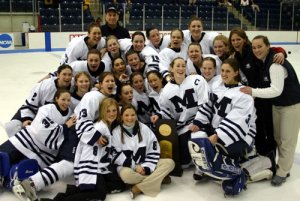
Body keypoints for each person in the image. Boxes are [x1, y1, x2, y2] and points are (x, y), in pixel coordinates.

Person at [240, 35, 300, 186]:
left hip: (291, 105)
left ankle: (283, 171)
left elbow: (276, 90)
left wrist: (252, 91)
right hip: (278, 105)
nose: (257, 50)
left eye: (260, 46)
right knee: (278, 138)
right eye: (254, 47)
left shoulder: (275, 64)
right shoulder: (264, 61)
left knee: (287, 140)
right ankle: (283, 166)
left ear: (268, 46)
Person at [0, 89, 75, 198]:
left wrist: (64, 127)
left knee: (23, 169)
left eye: (68, 100)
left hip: (44, 154)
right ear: (56, 99)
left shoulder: (70, 115)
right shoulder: (46, 109)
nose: (66, 102)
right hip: (26, 140)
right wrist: (64, 127)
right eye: (63, 99)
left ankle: (9, 180)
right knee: (3, 156)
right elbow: (41, 130)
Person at [50, 98, 125, 201]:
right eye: (108, 111)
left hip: (101, 168)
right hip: (92, 168)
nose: (112, 114)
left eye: (114, 110)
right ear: (102, 111)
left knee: (118, 185)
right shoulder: (99, 129)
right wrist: (88, 174)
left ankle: (73, 191)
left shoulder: (107, 126)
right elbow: (88, 153)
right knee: (99, 194)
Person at [228, 27, 285, 157]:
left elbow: (272, 50)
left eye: (239, 39)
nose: (236, 42)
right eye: (233, 40)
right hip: (251, 96)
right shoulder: (235, 56)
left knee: (268, 127)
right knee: (256, 125)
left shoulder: (252, 50)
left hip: (264, 94)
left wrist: (282, 52)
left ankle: (271, 155)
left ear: (244, 39)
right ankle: (261, 152)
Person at [111, 104, 175, 199]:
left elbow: (154, 149)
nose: (130, 118)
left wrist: (146, 168)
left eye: (133, 115)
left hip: (146, 164)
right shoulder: (116, 132)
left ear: (136, 115)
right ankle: (159, 179)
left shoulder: (144, 128)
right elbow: (115, 156)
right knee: (126, 175)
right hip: (129, 167)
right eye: (126, 115)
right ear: (121, 117)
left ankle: (139, 187)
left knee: (170, 163)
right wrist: (135, 166)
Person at [156, 57, 209, 167]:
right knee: (184, 162)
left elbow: (205, 103)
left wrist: (198, 122)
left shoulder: (197, 80)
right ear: (171, 68)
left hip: (200, 120)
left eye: (183, 66)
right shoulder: (166, 91)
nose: (181, 68)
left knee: (199, 137)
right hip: (183, 127)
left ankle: (203, 167)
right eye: (178, 66)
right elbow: (167, 113)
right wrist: (158, 115)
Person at [5, 65, 73, 137]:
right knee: (13, 127)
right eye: (64, 74)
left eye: (69, 75)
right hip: (34, 113)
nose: (67, 77)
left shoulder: (74, 86)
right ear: (58, 75)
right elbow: (30, 104)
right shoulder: (45, 85)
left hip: (52, 120)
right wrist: (27, 119)